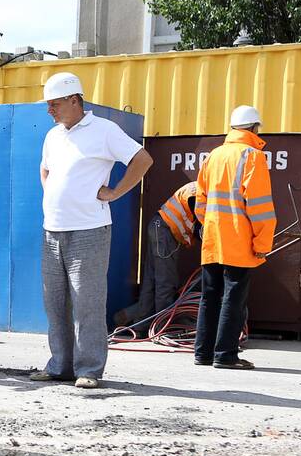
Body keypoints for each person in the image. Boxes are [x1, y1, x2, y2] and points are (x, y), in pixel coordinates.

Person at [29, 72, 153, 388]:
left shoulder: (104, 130)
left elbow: (142, 159)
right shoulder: (53, 136)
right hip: (51, 230)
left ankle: (89, 369)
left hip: (89, 230)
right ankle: (59, 365)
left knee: (88, 303)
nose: (49, 111)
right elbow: (44, 169)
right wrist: (51, 195)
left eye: (54, 104)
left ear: (75, 100)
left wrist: (114, 193)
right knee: (54, 302)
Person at [194, 105, 277, 369]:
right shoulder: (253, 156)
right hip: (239, 241)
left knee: (210, 295)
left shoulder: (214, 156)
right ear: (254, 128)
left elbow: (201, 203)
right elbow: (260, 206)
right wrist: (262, 243)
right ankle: (226, 355)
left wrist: (210, 228)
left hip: (212, 239)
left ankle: (203, 353)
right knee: (234, 297)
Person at [114, 181, 198, 332]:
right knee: (165, 283)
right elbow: (201, 224)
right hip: (166, 232)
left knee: (150, 282)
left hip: (159, 227)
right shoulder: (198, 192)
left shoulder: (195, 189)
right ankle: (163, 328)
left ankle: (141, 325)